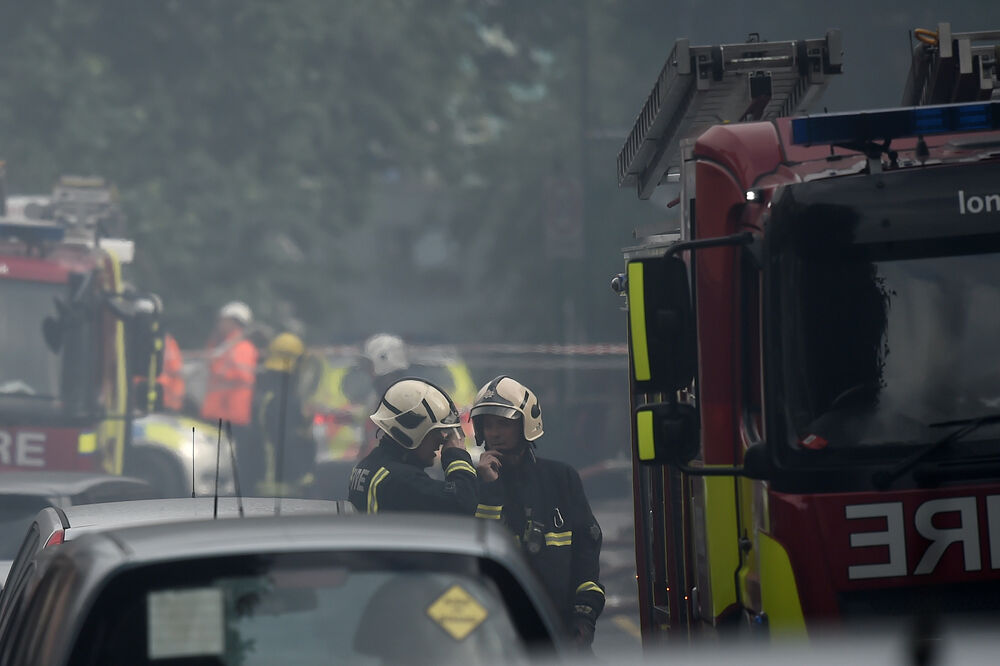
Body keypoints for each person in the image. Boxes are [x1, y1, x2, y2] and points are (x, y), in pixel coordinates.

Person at [471, 376, 605, 650]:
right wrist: (489, 491)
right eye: (488, 424)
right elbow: (478, 556)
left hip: (561, 631)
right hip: (499, 635)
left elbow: (586, 554)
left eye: (504, 423)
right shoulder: (474, 486)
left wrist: (585, 616)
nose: (494, 433)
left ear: (526, 424)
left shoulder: (561, 478)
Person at [347, 378, 498, 514]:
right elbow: (463, 502)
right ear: (412, 431)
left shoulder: (373, 464)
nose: (441, 439)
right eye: (435, 432)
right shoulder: (399, 479)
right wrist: (457, 457)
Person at [247, 332, 317, 497]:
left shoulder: (264, 392)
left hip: (262, 484)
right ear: (297, 363)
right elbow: (291, 445)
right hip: (282, 490)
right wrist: (305, 479)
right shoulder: (286, 401)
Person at [201, 301, 258, 442]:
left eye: (223, 320)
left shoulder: (242, 347)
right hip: (218, 413)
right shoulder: (224, 346)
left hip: (231, 415)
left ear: (235, 322)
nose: (219, 324)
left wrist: (220, 372)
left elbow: (243, 376)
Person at [156, 331, 186, 412]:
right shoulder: (167, 343)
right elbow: (176, 369)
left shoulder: (167, 344)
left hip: (167, 398)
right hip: (164, 396)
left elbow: (175, 369)